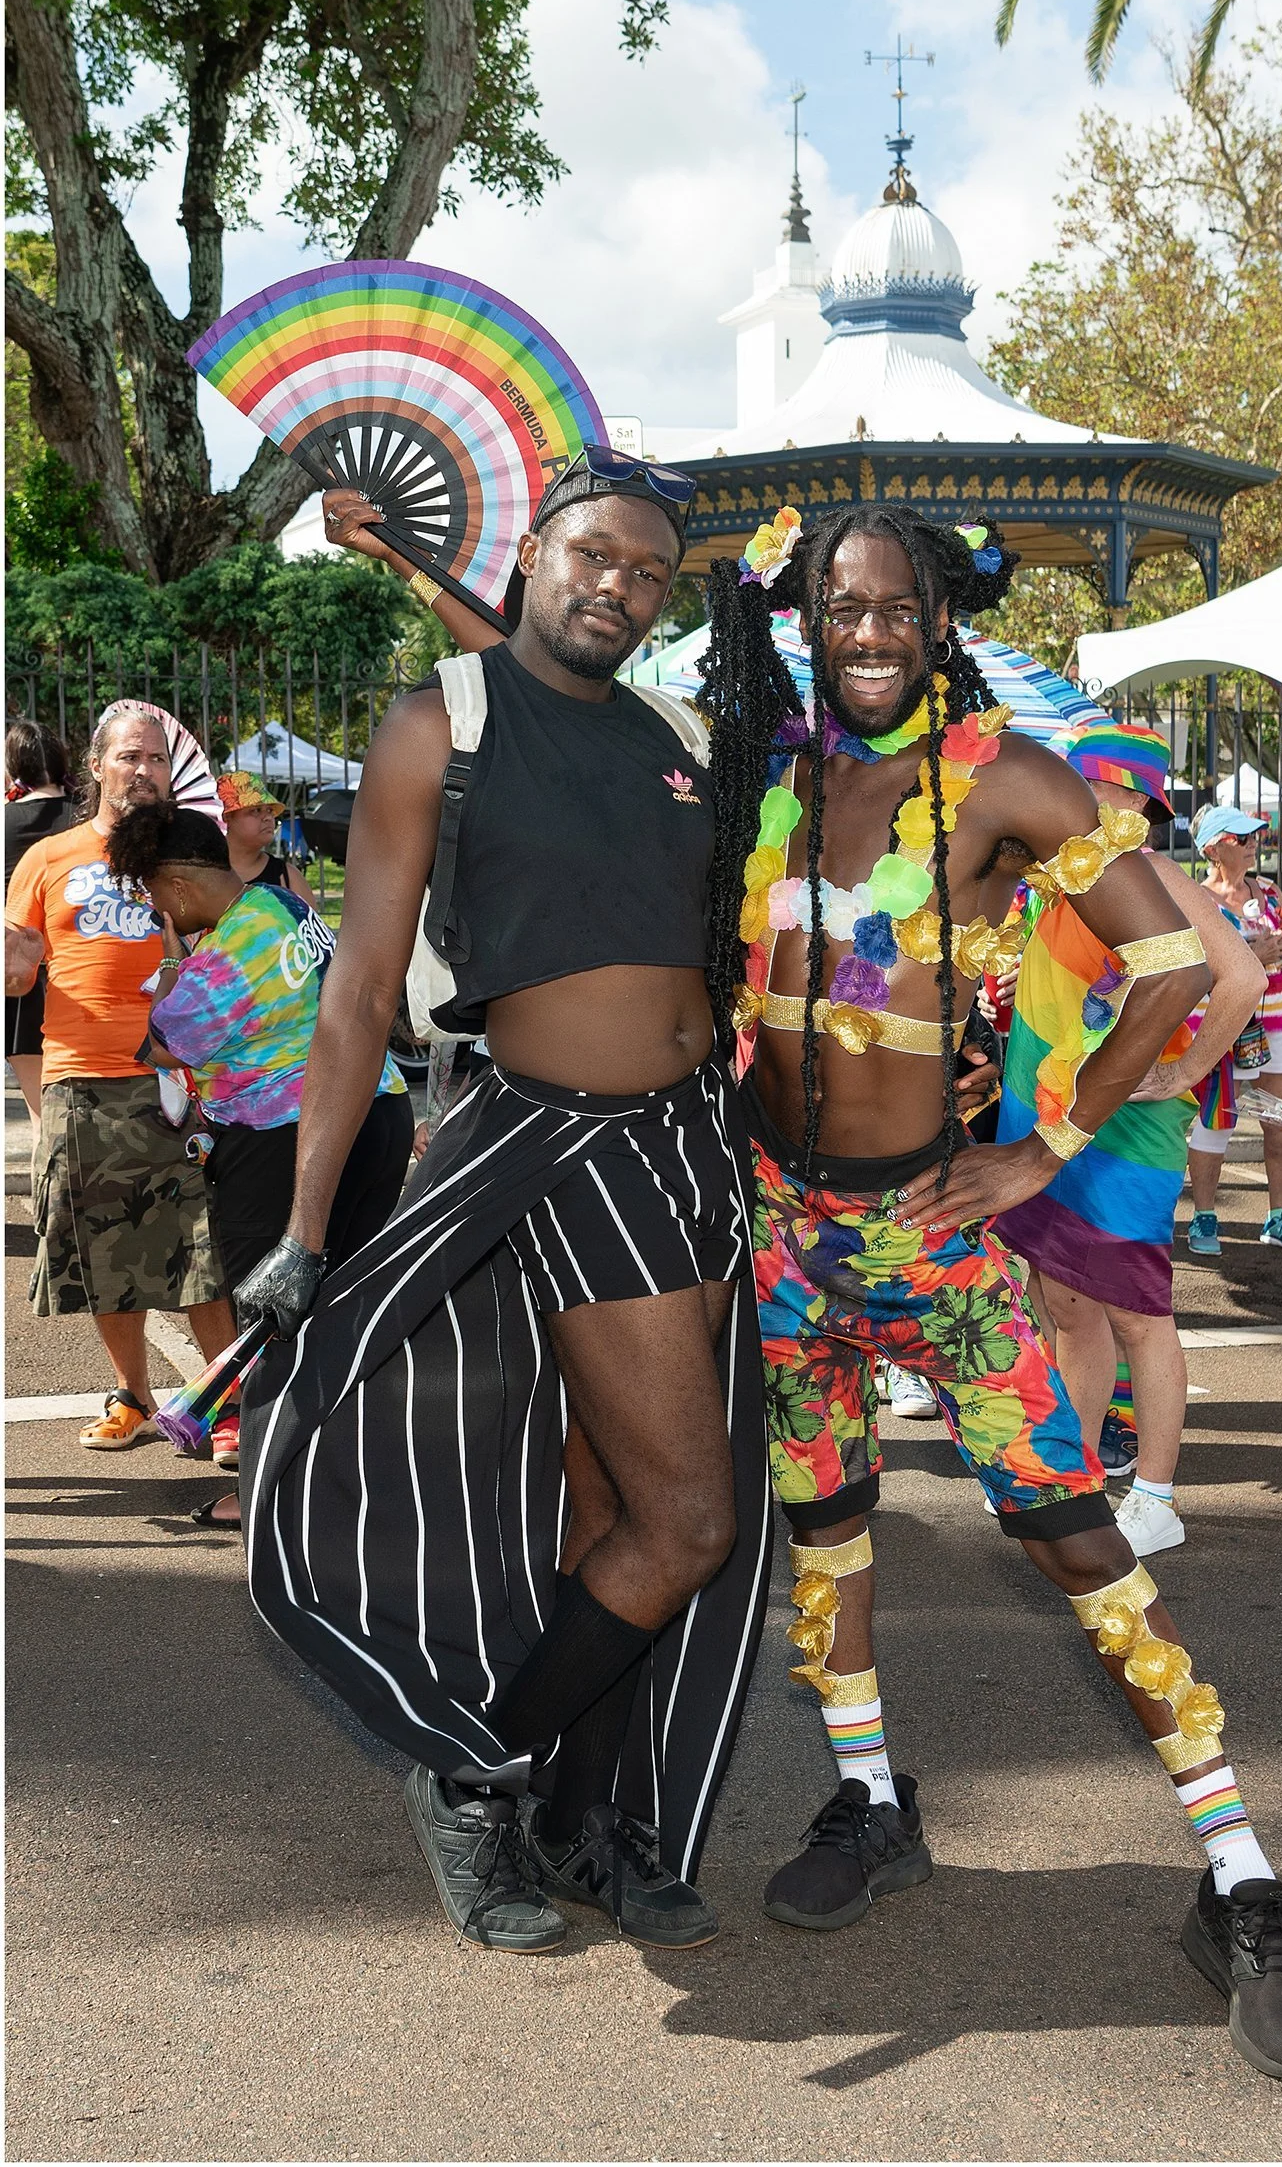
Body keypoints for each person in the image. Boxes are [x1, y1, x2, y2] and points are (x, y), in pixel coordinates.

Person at [703, 503, 1282, 2083]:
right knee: (824, 1537)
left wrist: (1043, 1152)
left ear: (937, 615)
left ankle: (1245, 1883)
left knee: (1079, 1547)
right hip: (785, 1246)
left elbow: (1181, 971)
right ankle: (869, 1798)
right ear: (804, 614)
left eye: (892, 608)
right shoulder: (768, 775)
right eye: (837, 608)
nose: (862, 634)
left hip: (939, 1248)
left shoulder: (1001, 776)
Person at [232, 449, 771, 1956]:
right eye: (594, 554)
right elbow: (354, 993)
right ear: (533, 552)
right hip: (540, 1143)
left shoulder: (681, 733)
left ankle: (585, 1821)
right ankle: (474, 1773)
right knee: (684, 1523)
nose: (617, 585)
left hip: (688, 1147)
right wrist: (303, 1227)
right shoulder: (438, 725)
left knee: (603, 1507)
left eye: (649, 572)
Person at [994, 723, 1267, 1559]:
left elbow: (1244, 979)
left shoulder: (1148, 872)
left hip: (1126, 1128)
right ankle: (1073, 1481)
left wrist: (1185, 1077)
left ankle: (1155, 1494)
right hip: (1047, 1121)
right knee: (1068, 1305)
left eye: (1087, 787)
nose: (1067, 800)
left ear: (1131, 801)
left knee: (1139, 1313)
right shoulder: (1058, 883)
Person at [102, 799, 413, 1514]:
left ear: (176, 885)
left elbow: (160, 1042)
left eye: (153, 894)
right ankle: (346, 1472)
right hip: (380, 1110)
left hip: (288, 1140)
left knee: (266, 1311)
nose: (155, 910)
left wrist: (173, 961)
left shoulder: (218, 969)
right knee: (338, 1305)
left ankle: (269, 1493)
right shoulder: (278, 904)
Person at [4, 705, 232, 1443]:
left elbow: (233, 960)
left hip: (182, 1082)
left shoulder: (192, 854)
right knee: (105, 1251)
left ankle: (224, 1405)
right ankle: (132, 1396)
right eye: (130, 756)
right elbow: (19, 973)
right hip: (78, 1078)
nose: (145, 770)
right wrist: (14, 960)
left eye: (158, 759)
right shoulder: (47, 858)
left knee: (203, 1252)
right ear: (96, 767)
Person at [1184, 805, 1282, 1257]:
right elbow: (1190, 967)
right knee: (1214, 1123)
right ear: (1211, 848)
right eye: (1240, 838)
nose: (1252, 844)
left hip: (1274, 1023)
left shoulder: (1268, 891)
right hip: (1220, 1023)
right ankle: (1204, 1217)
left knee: (1281, 1123)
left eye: (1253, 836)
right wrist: (1249, 955)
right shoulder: (1194, 899)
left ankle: (1278, 1215)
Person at [4, 720, 72, 1133]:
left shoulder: (4, 821)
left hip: (22, 980)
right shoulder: (87, 818)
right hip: (82, 972)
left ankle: (45, 1198)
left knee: (41, 1122)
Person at [218, 772, 319, 908]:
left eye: (270, 810)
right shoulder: (202, 875)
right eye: (256, 810)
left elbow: (310, 928)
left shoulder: (288, 877)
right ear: (226, 817)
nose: (268, 817)